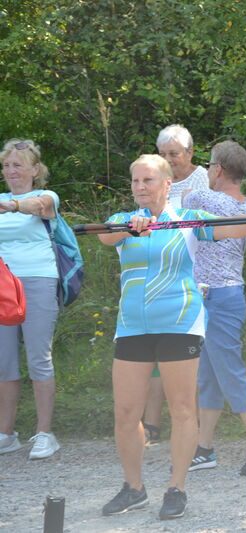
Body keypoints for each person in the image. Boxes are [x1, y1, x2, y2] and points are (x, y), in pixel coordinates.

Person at [98, 154, 246, 520]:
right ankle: (133, 488)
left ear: (168, 184)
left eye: (148, 180)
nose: (140, 187)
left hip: (179, 322)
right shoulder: (122, 220)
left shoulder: (186, 220)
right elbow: (106, 237)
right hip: (133, 325)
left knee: (183, 409)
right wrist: (130, 228)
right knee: (125, 414)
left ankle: (176, 487)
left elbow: (235, 227)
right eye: (135, 181)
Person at [182, 141, 246, 476]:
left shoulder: (201, 198)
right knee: (208, 376)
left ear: (218, 170)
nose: (206, 171)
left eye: (209, 166)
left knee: (229, 372)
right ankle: (204, 448)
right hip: (217, 295)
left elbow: (185, 201)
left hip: (217, 297)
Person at [142, 124, 211, 443]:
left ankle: (189, 424)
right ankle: (152, 422)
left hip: (194, 268)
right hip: (156, 270)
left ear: (190, 152)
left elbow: (210, 228)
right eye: (163, 154)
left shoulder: (204, 180)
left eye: (175, 154)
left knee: (185, 351)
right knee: (153, 348)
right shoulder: (151, 177)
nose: (169, 159)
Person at [0, 139, 61, 460]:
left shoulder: (46, 197)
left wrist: (12, 205)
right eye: (7, 165)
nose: (11, 171)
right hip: (3, 286)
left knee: (39, 356)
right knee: (4, 360)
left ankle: (45, 433)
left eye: (18, 164)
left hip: (39, 280)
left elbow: (40, 209)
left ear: (34, 169)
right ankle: (6, 433)